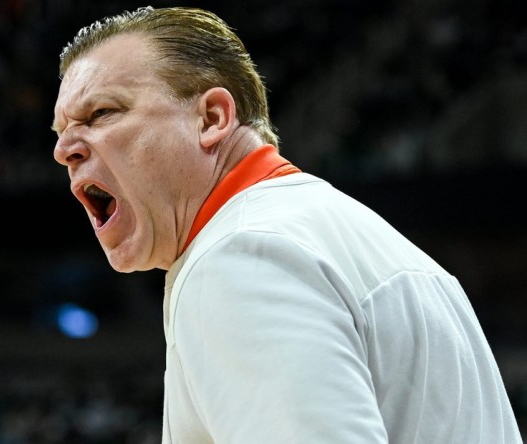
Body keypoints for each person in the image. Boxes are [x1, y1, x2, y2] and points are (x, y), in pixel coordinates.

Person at [51, 6, 522, 443]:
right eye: (61, 132)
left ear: (212, 118)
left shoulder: (240, 257)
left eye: (101, 113)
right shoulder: (345, 233)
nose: (64, 149)